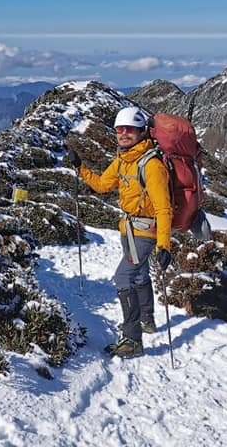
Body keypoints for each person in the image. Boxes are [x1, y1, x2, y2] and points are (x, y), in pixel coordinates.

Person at [66, 105, 172, 359]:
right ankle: (147, 320)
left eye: (130, 129)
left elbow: (164, 208)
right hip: (128, 229)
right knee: (138, 275)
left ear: (142, 132)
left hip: (145, 233)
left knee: (123, 278)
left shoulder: (152, 166)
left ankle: (132, 339)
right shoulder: (124, 160)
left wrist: (164, 245)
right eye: (119, 129)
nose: (124, 134)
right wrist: (80, 166)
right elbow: (102, 185)